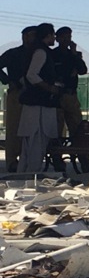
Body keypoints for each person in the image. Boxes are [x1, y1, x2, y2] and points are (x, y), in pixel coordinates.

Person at [16, 23, 60, 173]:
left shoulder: (33, 51)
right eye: (53, 35)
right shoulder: (41, 52)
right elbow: (31, 75)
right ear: (47, 36)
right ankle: (31, 174)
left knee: (30, 144)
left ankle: (25, 173)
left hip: (35, 103)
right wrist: (49, 87)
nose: (54, 38)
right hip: (39, 105)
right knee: (36, 141)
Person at [0, 26, 36, 171]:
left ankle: (27, 159)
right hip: (17, 93)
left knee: (31, 129)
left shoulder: (38, 54)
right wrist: (8, 80)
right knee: (13, 127)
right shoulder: (13, 54)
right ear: (25, 36)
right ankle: (11, 161)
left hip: (34, 95)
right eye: (32, 35)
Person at [50, 26, 88, 138]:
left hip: (71, 94)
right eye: (64, 37)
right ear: (58, 39)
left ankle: (80, 153)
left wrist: (74, 54)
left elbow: (83, 70)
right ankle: (56, 154)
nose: (67, 40)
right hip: (57, 95)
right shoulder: (52, 55)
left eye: (69, 37)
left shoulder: (74, 55)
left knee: (76, 126)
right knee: (56, 128)